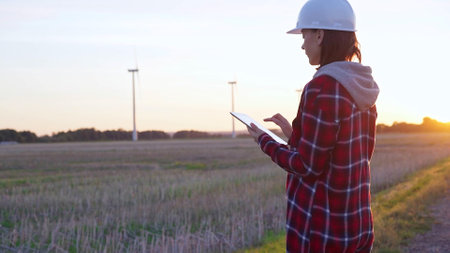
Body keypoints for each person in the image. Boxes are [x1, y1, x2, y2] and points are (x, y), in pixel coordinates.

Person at [246, 0, 380, 252]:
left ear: (319, 35)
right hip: (357, 223)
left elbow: (307, 165)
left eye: (305, 34)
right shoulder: (360, 85)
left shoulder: (323, 87)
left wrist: (265, 142)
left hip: (322, 228)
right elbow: (348, 153)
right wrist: (295, 135)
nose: (302, 44)